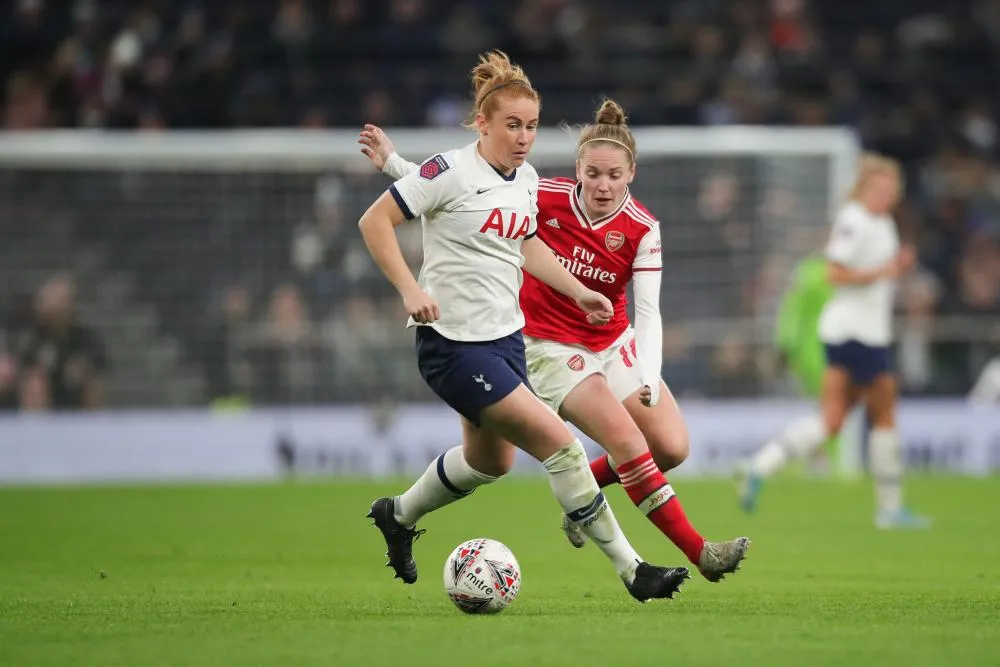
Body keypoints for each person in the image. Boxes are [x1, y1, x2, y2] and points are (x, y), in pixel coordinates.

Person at [361, 99, 749, 581]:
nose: (603, 185)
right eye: (594, 174)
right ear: (578, 170)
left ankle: (575, 499)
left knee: (668, 447)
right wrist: (397, 168)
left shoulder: (643, 228)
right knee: (627, 442)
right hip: (547, 345)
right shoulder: (542, 192)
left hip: (611, 341)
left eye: (614, 176)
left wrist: (650, 373)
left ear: (632, 173)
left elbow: (648, 312)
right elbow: (462, 191)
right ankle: (697, 554)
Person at [738, 153, 931, 529]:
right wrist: (888, 270)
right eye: (880, 187)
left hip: (860, 331)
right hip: (857, 334)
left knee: (832, 420)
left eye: (892, 188)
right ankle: (890, 508)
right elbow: (835, 273)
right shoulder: (855, 221)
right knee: (885, 409)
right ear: (864, 187)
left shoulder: (881, 222)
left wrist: (893, 272)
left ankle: (759, 465)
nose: (887, 194)